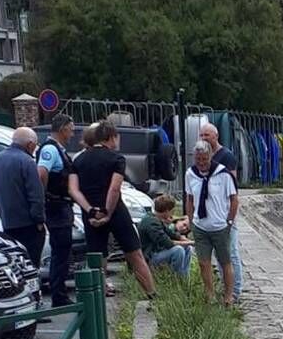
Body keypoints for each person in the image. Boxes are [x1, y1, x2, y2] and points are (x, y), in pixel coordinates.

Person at [70, 120, 156, 297]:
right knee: (134, 253)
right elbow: (114, 188)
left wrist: (90, 210)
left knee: (97, 257)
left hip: (90, 213)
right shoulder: (116, 159)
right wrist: (107, 212)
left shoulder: (79, 160)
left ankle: (99, 294)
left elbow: (73, 190)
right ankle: (151, 293)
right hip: (115, 211)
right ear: (111, 137)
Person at [185, 141, 238, 307]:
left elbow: (234, 199)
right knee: (203, 262)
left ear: (211, 157)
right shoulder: (190, 174)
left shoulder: (223, 174)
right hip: (201, 226)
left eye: (205, 159)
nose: (201, 163)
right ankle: (210, 294)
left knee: (225, 261)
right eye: (198, 159)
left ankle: (229, 295)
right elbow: (190, 198)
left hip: (220, 226)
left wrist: (229, 220)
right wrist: (190, 219)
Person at [0, 127, 46, 269]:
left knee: (16, 264)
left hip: (8, 222)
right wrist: (39, 220)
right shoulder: (27, 161)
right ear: (30, 144)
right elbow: (36, 194)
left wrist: (1, 214)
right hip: (28, 224)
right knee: (32, 264)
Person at [36, 114, 77, 306]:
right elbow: (41, 172)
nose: (73, 133)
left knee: (63, 250)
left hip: (61, 206)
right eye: (71, 129)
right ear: (62, 130)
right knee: (60, 251)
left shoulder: (57, 149)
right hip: (57, 206)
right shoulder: (51, 150)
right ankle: (58, 296)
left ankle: (59, 293)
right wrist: (46, 196)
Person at [199, 123, 243, 301]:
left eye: (207, 135)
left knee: (230, 252)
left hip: (224, 213)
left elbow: (233, 188)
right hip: (209, 215)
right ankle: (224, 288)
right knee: (218, 255)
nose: (203, 138)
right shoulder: (202, 156)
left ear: (216, 136)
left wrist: (230, 218)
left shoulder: (227, 156)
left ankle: (235, 291)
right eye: (201, 135)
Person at [137, 194, 193, 276]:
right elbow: (168, 243)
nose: (172, 214)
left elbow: (172, 234)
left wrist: (188, 241)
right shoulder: (151, 223)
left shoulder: (155, 219)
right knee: (178, 250)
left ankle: (184, 278)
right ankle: (177, 279)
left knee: (187, 248)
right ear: (167, 211)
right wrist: (191, 242)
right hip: (150, 257)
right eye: (172, 211)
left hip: (157, 252)